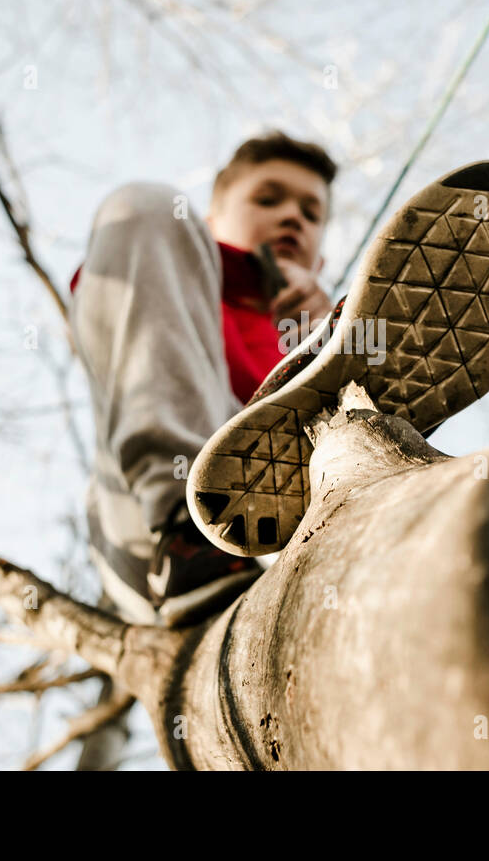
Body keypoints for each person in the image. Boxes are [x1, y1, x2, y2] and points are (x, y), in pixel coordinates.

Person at [68, 131, 339, 627]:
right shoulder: (160, 259)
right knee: (144, 204)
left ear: (320, 256)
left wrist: (323, 336)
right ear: (208, 223)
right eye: (267, 198)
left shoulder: (322, 330)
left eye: (311, 212)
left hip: (303, 543)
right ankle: (188, 539)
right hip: (150, 527)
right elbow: (104, 305)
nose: (292, 216)